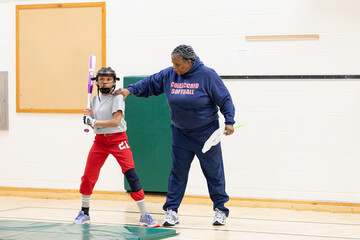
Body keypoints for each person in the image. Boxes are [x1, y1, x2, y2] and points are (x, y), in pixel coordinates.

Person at [118, 45, 235, 226]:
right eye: (172, 63)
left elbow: (225, 98)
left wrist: (229, 121)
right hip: (181, 134)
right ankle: (171, 211)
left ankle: (220, 210)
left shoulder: (207, 75)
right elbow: (150, 82)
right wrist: (129, 90)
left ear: (189, 62)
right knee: (177, 174)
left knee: (214, 172)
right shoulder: (170, 75)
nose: (174, 67)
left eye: (178, 64)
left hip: (206, 134)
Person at [74, 67, 159, 228]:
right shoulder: (93, 100)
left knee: (131, 174)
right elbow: (96, 127)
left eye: (108, 80)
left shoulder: (118, 98)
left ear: (114, 82)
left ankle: (144, 215)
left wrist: (93, 122)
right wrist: (88, 118)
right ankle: (84, 213)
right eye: (102, 79)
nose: (105, 82)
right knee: (88, 175)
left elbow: (116, 121)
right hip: (100, 141)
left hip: (118, 140)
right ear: (97, 82)